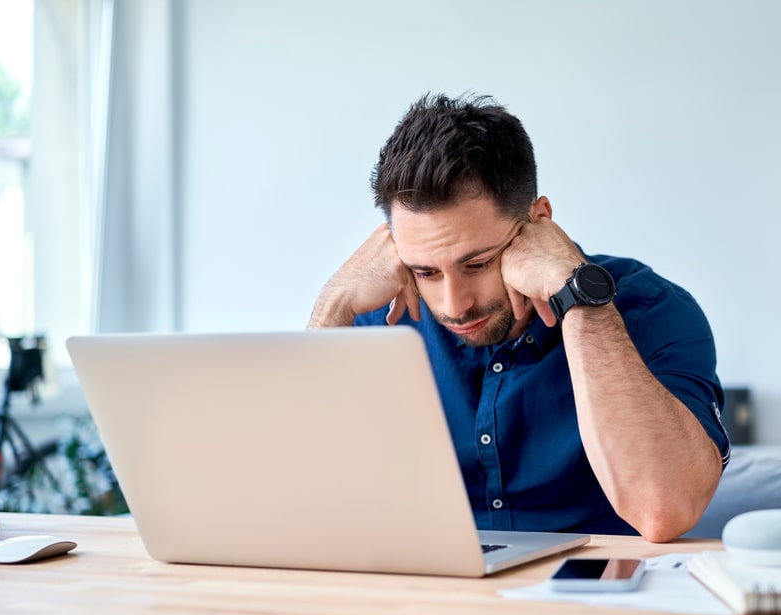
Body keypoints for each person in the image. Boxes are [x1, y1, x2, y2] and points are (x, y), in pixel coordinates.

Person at [308, 93, 730, 542]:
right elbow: (300, 506)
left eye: (477, 264)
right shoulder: (379, 322)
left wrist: (580, 297)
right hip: (429, 596)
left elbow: (664, 510)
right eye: (425, 271)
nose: (454, 305)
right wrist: (332, 305)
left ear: (538, 221)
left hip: (591, 600)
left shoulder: (651, 311)